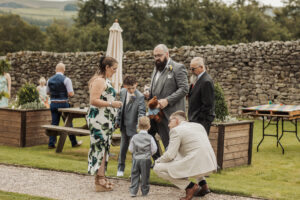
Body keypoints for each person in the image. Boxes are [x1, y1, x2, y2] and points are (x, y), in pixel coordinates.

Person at [153, 111, 217, 200]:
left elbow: (170, 155)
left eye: (170, 121)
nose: (168, 125)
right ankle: (203, 185)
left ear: (176, 120)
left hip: (195, 163)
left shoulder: (176, 130)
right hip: (210, 164)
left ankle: (190, 187)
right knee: (189, 153)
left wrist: (158, 160)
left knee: (157, 168)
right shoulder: (198, 126)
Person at [144, 44, 189, 159]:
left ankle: (176, 169)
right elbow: (155, 88)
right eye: (155, 56)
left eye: (159, 55)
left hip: (170, 114)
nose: (157, 58)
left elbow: (184, 89)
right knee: (146, 134)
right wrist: (149, 92)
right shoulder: (156, 68)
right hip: (155, 112)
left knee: (170, 144)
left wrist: (167, 101)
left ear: (167, 54)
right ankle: (158, 160)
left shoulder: (178, 68)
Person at [86, 56, 123, 192]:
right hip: (98, 120)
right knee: (99, 147)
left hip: (105, 120)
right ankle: (99, 178)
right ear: (106, 67)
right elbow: (93, 100)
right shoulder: (99, 81)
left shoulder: (106, 80)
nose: (115, 71)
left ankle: (101, 176)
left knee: (104, 147)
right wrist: (111, 103)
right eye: (113, 69)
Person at [115, 76, 146, 177]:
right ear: (125, 86)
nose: (131, 90)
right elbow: (120, 108)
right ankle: (120, 168)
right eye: (129, 88)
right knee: (123, 148)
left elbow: (141, 112)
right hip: (123, 125)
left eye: (133, 87)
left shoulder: (140, 96)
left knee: (135, 150)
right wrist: (117, 120)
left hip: (134, 126)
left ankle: (136, 171)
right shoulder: (123, 92)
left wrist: (140, 126)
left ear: (136, 84)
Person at [46, 62, 82, 149]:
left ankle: (51, 144)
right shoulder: (66, 79)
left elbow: (47, 92)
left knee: (54, 124)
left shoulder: (49, 80)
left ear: (56, 69)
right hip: (63, 104)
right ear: (64, 70)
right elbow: (71, 94)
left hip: (53, 104)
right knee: (68, 123)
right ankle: (74, 142)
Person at [128, 116, 157, 197]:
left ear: (138, 126)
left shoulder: (134, 137)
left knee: (134, 175)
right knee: (145, 176)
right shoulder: (150, 137)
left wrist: (136, 153)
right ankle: (144, 191)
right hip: (146, 159)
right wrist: (149, 153)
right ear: (149, 126)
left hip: (136, 159)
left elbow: (130, 149)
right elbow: (154, 149)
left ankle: (133, 191)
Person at [188, 57, 215, 135]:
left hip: (201, 120)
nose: (191, 71)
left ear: (201, 67)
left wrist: (198, 118)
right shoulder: (197, 79)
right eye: (190, 69)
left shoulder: (206, 81)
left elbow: (208, 104)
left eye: (193, 69)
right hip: (195, 119)